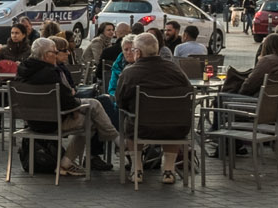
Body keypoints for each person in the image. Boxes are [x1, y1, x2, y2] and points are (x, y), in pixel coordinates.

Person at [14, 36, 117, 177]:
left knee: (93, 106)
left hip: (31, 122)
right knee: (92, 116)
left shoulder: (21, 71)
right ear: (46, 55)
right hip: (52, 123)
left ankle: (114, 139)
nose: (56, 55)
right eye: (54, 52)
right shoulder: (51, 73)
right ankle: (68, 162)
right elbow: (68, 101)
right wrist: (77, 106)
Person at [115, 32, 197, 184]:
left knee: (131, 121)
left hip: (143, 127)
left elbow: (120, 101)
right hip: (177, 127)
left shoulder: (130, 72)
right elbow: (189, 91)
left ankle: (137, 168)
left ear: (138, 52)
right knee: (170, 118)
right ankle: (168, 169)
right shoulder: (175, 69)